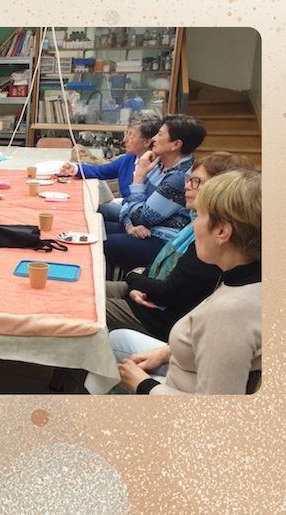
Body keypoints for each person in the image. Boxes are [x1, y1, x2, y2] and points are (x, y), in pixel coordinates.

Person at [110, 169, 261, 395]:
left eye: (199, 216)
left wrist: (143, 385)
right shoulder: (246, 278)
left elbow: (215, 412)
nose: (194, 225)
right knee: (117, 340)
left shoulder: (230, 312)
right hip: (181, 370)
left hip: (172, 393)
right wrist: (166, 352)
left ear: (222, 231)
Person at [105, 152, 255, 341]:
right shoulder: (197, 226)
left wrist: (133, 277)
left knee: (84, 306)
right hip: (149, 295)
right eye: (189, 179)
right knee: (83, 290)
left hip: (156, 317)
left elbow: (169, 293)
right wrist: (138, 282)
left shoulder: (212, 245)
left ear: (219, 190)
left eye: (196, 182)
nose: (187, 185)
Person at [103, 114, 206, 271]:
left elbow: (142, 218)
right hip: (143, 229)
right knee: (96, 227)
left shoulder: (179, 177)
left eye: (160, 135)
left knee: (101, 243)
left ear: (176, 144)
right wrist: (129, 225)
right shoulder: (158, 163)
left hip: (161, 240)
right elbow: (129, 203)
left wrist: (139, 177)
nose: (153, 139)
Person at [59, 111, 162, 222]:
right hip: (126, 210)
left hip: (139, 217)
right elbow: (101, 171)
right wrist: (75, 168)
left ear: (146, 142)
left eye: (131, 136)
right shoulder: (129, 159)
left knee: (91, 210)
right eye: (126, 133)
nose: (124, 140)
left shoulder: (158, 168)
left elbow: (145, 208)